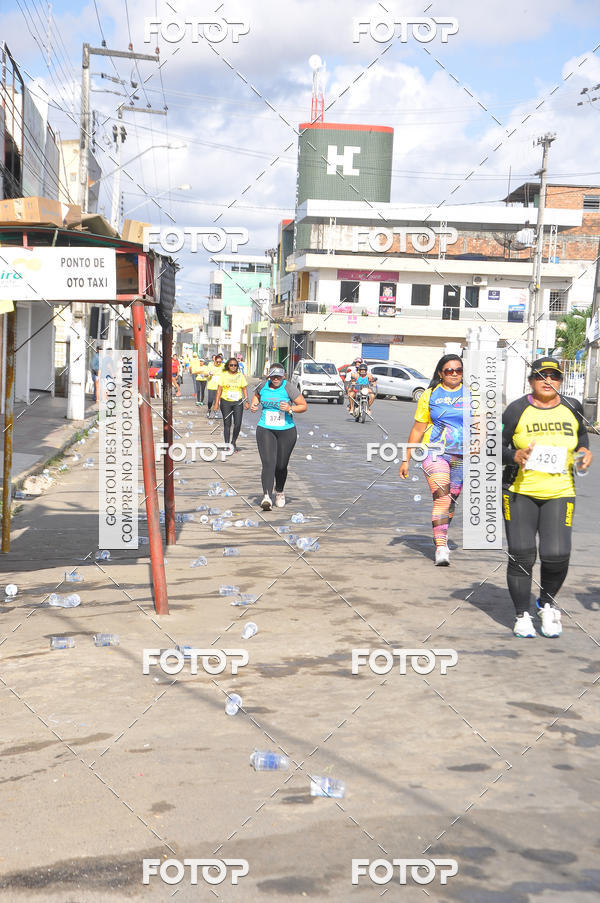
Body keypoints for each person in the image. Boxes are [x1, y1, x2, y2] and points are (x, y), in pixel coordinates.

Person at [502, 358, 592, 639]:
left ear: (561, 381)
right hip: (519, 492)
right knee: (521, 555)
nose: (547, 381)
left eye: (554, 376)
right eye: (541, 376)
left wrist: (583, 458)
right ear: (531, 381)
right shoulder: (517, 409)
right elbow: (493, 447)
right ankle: (522, 614)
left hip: (560, 492)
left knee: (557, 554)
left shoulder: (572, 407)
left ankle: (547, 604)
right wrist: (513, 455)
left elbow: (581, 444)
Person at [399, 354, 465, 566]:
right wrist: (406, 458)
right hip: (433, 452)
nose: (454, 374)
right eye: (449, 370)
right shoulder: (430, 395)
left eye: (458, 370)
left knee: (451, 500)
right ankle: (441, 547)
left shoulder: (473, 395)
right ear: (440, 373)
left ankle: (441, 533)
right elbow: (418, 428)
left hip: (462, 455)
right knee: (442, 498)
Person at [250, 363, 307, 510]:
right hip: (265, 429)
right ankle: (267, 496)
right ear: (269, 376)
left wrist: (290, 408)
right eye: (273, 376)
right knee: (268, 462)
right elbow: (256, 397)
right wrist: (254, 405)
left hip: (286, 430)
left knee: (281, 465)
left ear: (284, 376)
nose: (276, 379)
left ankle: (279, 491)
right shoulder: (263, 386)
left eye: (279, 376)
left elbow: (303, 406)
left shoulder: (288, 387)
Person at [214, 357, 249, 451]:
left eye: (235, 365)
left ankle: (233, 442)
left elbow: (244, 389)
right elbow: (219, 390)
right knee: (227, 423)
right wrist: (216, 403)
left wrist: (246, 401)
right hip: (226, 401)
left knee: (237, 423)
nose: (233, 367)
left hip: (238, 402)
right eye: (231, 365)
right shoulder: (223, 375)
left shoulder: (240, 375)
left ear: (237, 366)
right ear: (228, 366)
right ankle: (226, 444)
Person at [206, 353, 224, 418]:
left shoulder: (223, 366)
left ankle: (216, 411)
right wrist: (208, 373)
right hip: (211, 385)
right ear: (214, 360)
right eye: (217, 362)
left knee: (217, 400)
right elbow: (205, 373)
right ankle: (209, 409)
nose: (219, 363)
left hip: (219, 386)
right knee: (210, 400)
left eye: (220, 362)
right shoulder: (210, 365)